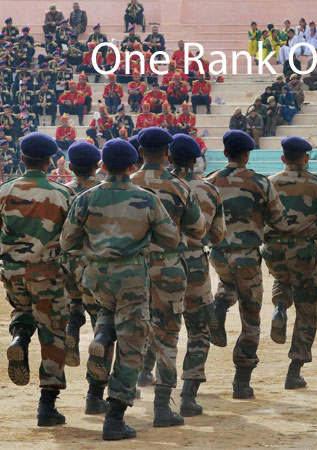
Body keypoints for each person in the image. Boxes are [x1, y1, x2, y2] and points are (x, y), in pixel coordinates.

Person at [60, 137, 179, 440]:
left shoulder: (85, 198)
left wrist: (95, 248)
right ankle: (114, 418)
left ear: (102, 165)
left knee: (106, 311)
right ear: (132, 165)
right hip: (131, 276)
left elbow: (67, 242)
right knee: (131, 344)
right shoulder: (147, 199)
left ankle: (102, 332)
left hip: (95, 276)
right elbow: (171, 239)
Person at [206, 130, 290, 399]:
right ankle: (241, 382)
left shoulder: (210, 181)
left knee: (227, 282)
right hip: (247, 255)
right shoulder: (260, 182)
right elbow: (279, 220)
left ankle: (219, 306)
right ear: (247, 154)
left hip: (218, 254)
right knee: (251, 316)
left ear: (225, 153)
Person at [131, 127, 206, 427]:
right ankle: (162, 407)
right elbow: (198, 229)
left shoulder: (126, 183)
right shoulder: (179, 187)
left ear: (140, 152)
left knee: (129, 332)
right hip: (168, 268)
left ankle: (121, 395)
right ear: (167, 154)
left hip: (132, 268)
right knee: (167, 336)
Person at [1, 132, 73, 426]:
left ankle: (19, 337)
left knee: (22, 310)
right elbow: (73, 237)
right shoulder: (61, 194)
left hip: (12, 271)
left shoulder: (4, 190)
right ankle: (47, 405)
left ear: (22, 159)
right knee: (52, 332)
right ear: (50, 161)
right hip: (47, 272)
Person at [262, 136, 317, 388]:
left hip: (272, 250)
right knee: (308, 307)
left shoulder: (269, 183)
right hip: (304, 251)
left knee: (281, 278)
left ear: (283, 158)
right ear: (306, 158)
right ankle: (294, 372)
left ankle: (279, 307)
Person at [169, 134, 226, 416]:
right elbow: (218, 235)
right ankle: (188, 396)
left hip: (158, 264)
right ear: (196, 161)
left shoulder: (153, 187)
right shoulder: (209, 189)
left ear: (169, 157)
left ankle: (157, 391)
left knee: (160, 329)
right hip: (194, 264)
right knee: (199, 329)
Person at [60, 141, 111, 415]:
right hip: (93, 265)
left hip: (66, 263)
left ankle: (72, 326)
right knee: (102, 321)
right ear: (97, 166)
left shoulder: (62, 192)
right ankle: (95, 395)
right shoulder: (102, 193)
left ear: (70, 166)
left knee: (74, 303)